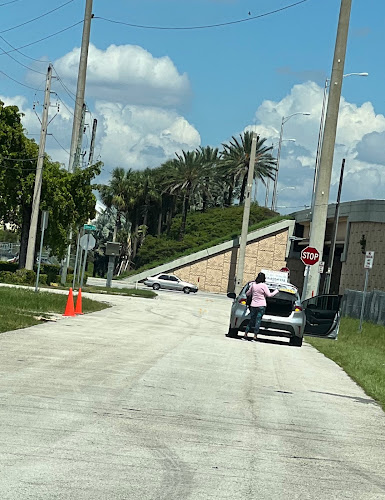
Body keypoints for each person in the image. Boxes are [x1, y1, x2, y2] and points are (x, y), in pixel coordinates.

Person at [243, 272, 279, 341]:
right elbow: (269, 295)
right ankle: (255, 336)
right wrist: (276, 291)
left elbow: (247, 293)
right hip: (261, 306)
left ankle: (245, 334)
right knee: (258, 320)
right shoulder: (263, 285)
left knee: (252, 320)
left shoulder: (253, 285)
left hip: (253, 305)